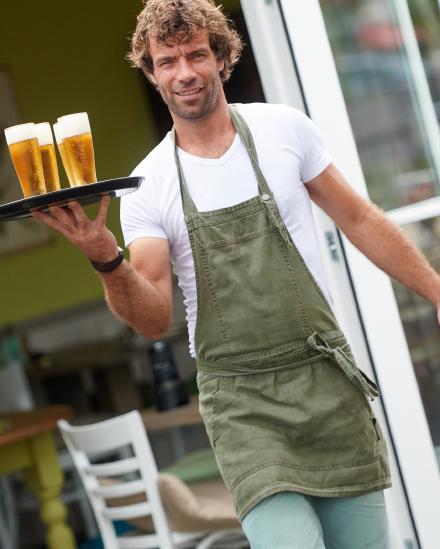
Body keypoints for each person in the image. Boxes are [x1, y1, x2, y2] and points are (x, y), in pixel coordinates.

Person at [33, 1, 440, 547]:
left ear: (221, 58)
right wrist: (107, 259)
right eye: (168, 60)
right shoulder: (148, 184)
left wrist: (435, 290)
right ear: (152, 73)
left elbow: (360, 219)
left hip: (325, 382)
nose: (185, 73)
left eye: (197, 54)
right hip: (243, 406)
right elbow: (153, 318)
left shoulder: (284, 130)